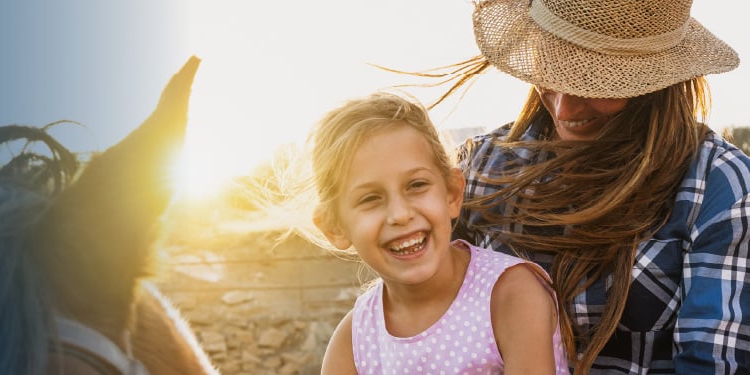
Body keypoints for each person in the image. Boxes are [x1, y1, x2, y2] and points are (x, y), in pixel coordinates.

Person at [438, 0, 746, 373]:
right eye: (552, 69)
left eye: (593, 82)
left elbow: (711, 365)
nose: (564, 109)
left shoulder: (718, 188)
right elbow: (422, 316)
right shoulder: (482, 166)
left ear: (656, 82)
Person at [310, 93, 570, 374]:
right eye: (370, 198)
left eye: (416, 185)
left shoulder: (511, 295)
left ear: (452, 194)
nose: (400, 214)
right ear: (334, 227)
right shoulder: (353, 342)